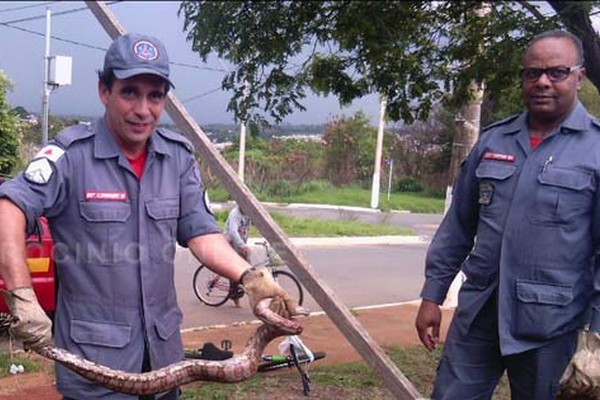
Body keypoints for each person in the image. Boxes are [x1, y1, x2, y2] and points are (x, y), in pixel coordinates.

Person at [0, 32, 290, 400]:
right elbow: (8, 207)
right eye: (130, 92)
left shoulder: (178, 157)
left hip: (163, 361)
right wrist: (23, 295)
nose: (143, 109)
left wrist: (249, 277)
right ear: (105, 91)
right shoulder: (71, 155)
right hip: (94, 369)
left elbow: (201, 232)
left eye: (155, 96)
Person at [415, 29, 600, 399]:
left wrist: (595, 334)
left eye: (557, 72)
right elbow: (458, 227)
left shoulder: (595, 150)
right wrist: (432, 295)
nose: (543, 82)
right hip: (480, 315)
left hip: (553, 326)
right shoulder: (494, 141)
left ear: (578, 76)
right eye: (532, 73)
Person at [224, 205, 251, 307]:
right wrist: (242, 246)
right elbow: (233, 232)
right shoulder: (235, 214)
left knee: (248, 269)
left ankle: (241, 292)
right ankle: (235, 297)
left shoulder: (249, 213)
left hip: (241, 244)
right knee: (236, 272)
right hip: (232, 243)